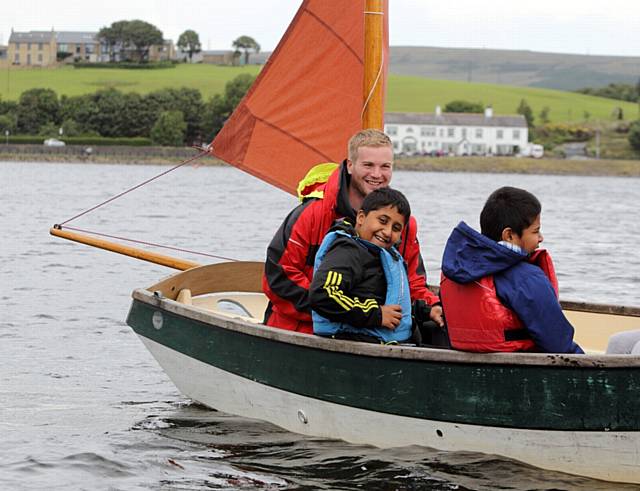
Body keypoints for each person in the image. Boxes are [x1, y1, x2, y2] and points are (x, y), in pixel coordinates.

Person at [263, 128, 443, 334]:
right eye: (368, 165)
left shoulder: (403, 224)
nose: (377, 175)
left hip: (374, 331)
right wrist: (353, 313)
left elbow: (412, 283)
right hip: (302, 330)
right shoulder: (311, 214)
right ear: (350, 165)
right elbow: (278, 278)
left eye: (385, 166)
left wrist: (432, 306)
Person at [440, 186, 584, 354]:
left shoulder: (452, 272)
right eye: (535, 231)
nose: (541, 238)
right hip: (520, 372)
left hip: (467, 371)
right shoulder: (527, 278)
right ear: (509, 235)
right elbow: (559, 346)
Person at [309, 187, 413, 343]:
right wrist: (376, 315)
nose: (387, 231)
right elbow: (323, 294)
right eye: (382, 221)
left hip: (384, 340)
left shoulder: (381, 254)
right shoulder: (347, 251)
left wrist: (426, 311)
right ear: (361, 217)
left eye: (396, 228)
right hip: (351, 339)